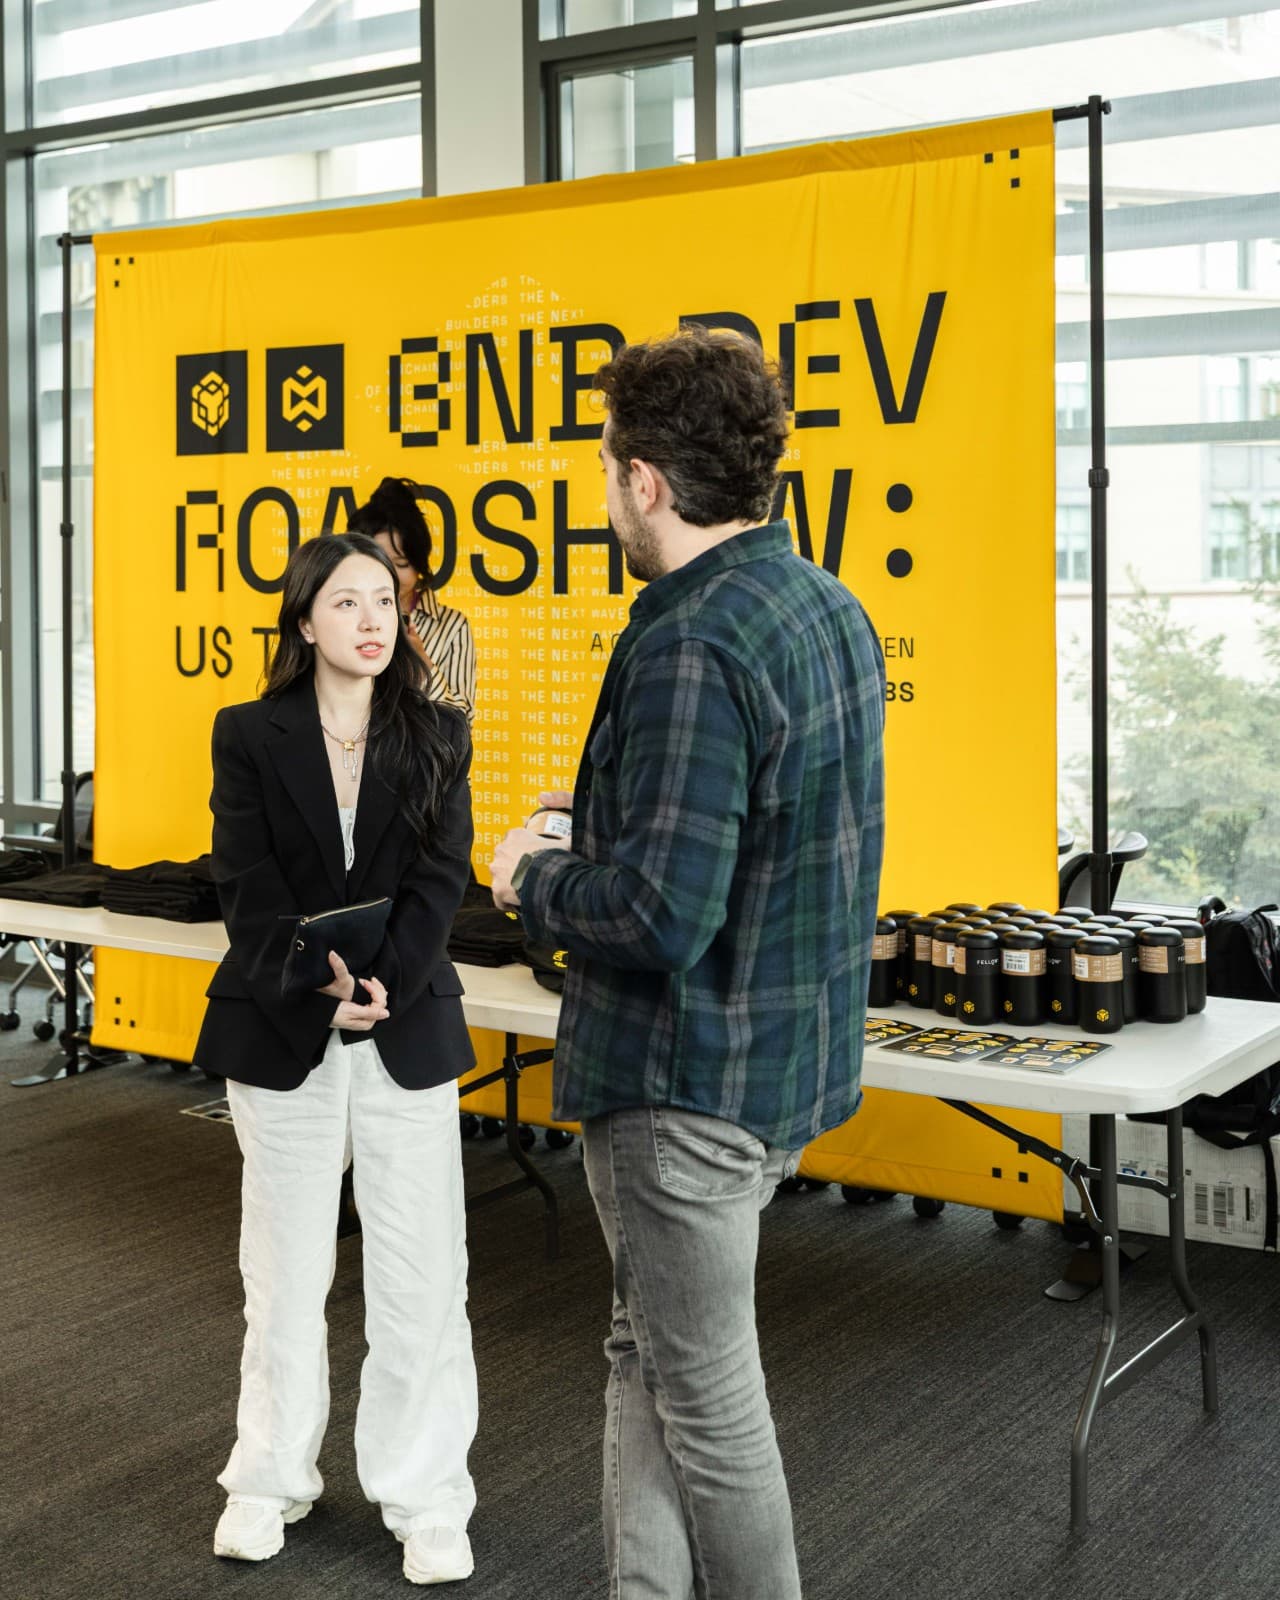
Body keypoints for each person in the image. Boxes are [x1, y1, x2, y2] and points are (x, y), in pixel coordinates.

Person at [489, 327, 886, 1600]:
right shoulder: (821, 604)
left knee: (707, 1399)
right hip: (776, 1075)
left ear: (645, 481)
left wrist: (530, 874)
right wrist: (605, 808)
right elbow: (768, 828)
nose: (603, 491)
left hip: (681, 1089)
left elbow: (660, 916)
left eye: (607, 467)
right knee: (646, 1355)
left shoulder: (686, 642)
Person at [195, 531, 479, 1586]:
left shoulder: (437, 731)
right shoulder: (247, 732)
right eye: (348, 602)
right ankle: (267, 1480)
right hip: (283, 1027)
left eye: (387, 603)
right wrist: (319, 976)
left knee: (422, 1278)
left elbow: (441, 878)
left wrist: (384, 982)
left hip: (403, 1029)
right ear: (303, 618)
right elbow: (245, 879)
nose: (373, 620)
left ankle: (426, 1496)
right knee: (283, 1276)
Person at [348, 476, 476, 723]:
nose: (390, 577)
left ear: (419, 565)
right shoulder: (339, 617)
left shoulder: (452, 626)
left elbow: (461, 727)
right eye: (379, 563)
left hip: (417, 759)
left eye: (402, 564)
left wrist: (422, 665)